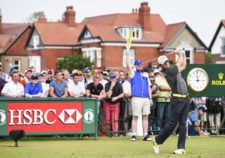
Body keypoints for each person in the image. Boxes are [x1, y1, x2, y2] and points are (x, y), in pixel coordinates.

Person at [152, 50, 189, 155]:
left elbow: (184, 65)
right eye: (164, 63)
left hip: (185, 98)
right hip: (177, 100)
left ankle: (181, 147)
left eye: (167, 61)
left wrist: (183, 54)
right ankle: (157, 140)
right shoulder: (169, 72)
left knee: (183, 123)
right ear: (162, 65)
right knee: (173, 123)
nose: (167, 63)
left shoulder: (174, 70)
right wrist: (180, 53)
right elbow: (180, 62)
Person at [126, 51, 152, 141]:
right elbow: (128, 65)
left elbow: (149, 87)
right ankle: (134, 134)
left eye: (140, 64)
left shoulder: (145, 74)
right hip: (136, 98)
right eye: (138, 65)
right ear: (135, 66)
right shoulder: (133, 73)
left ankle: (145, 135)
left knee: (145, 116)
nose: (140, 66)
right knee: (135, 116)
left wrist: (150, 98)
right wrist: (127, 54)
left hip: (145, 98)